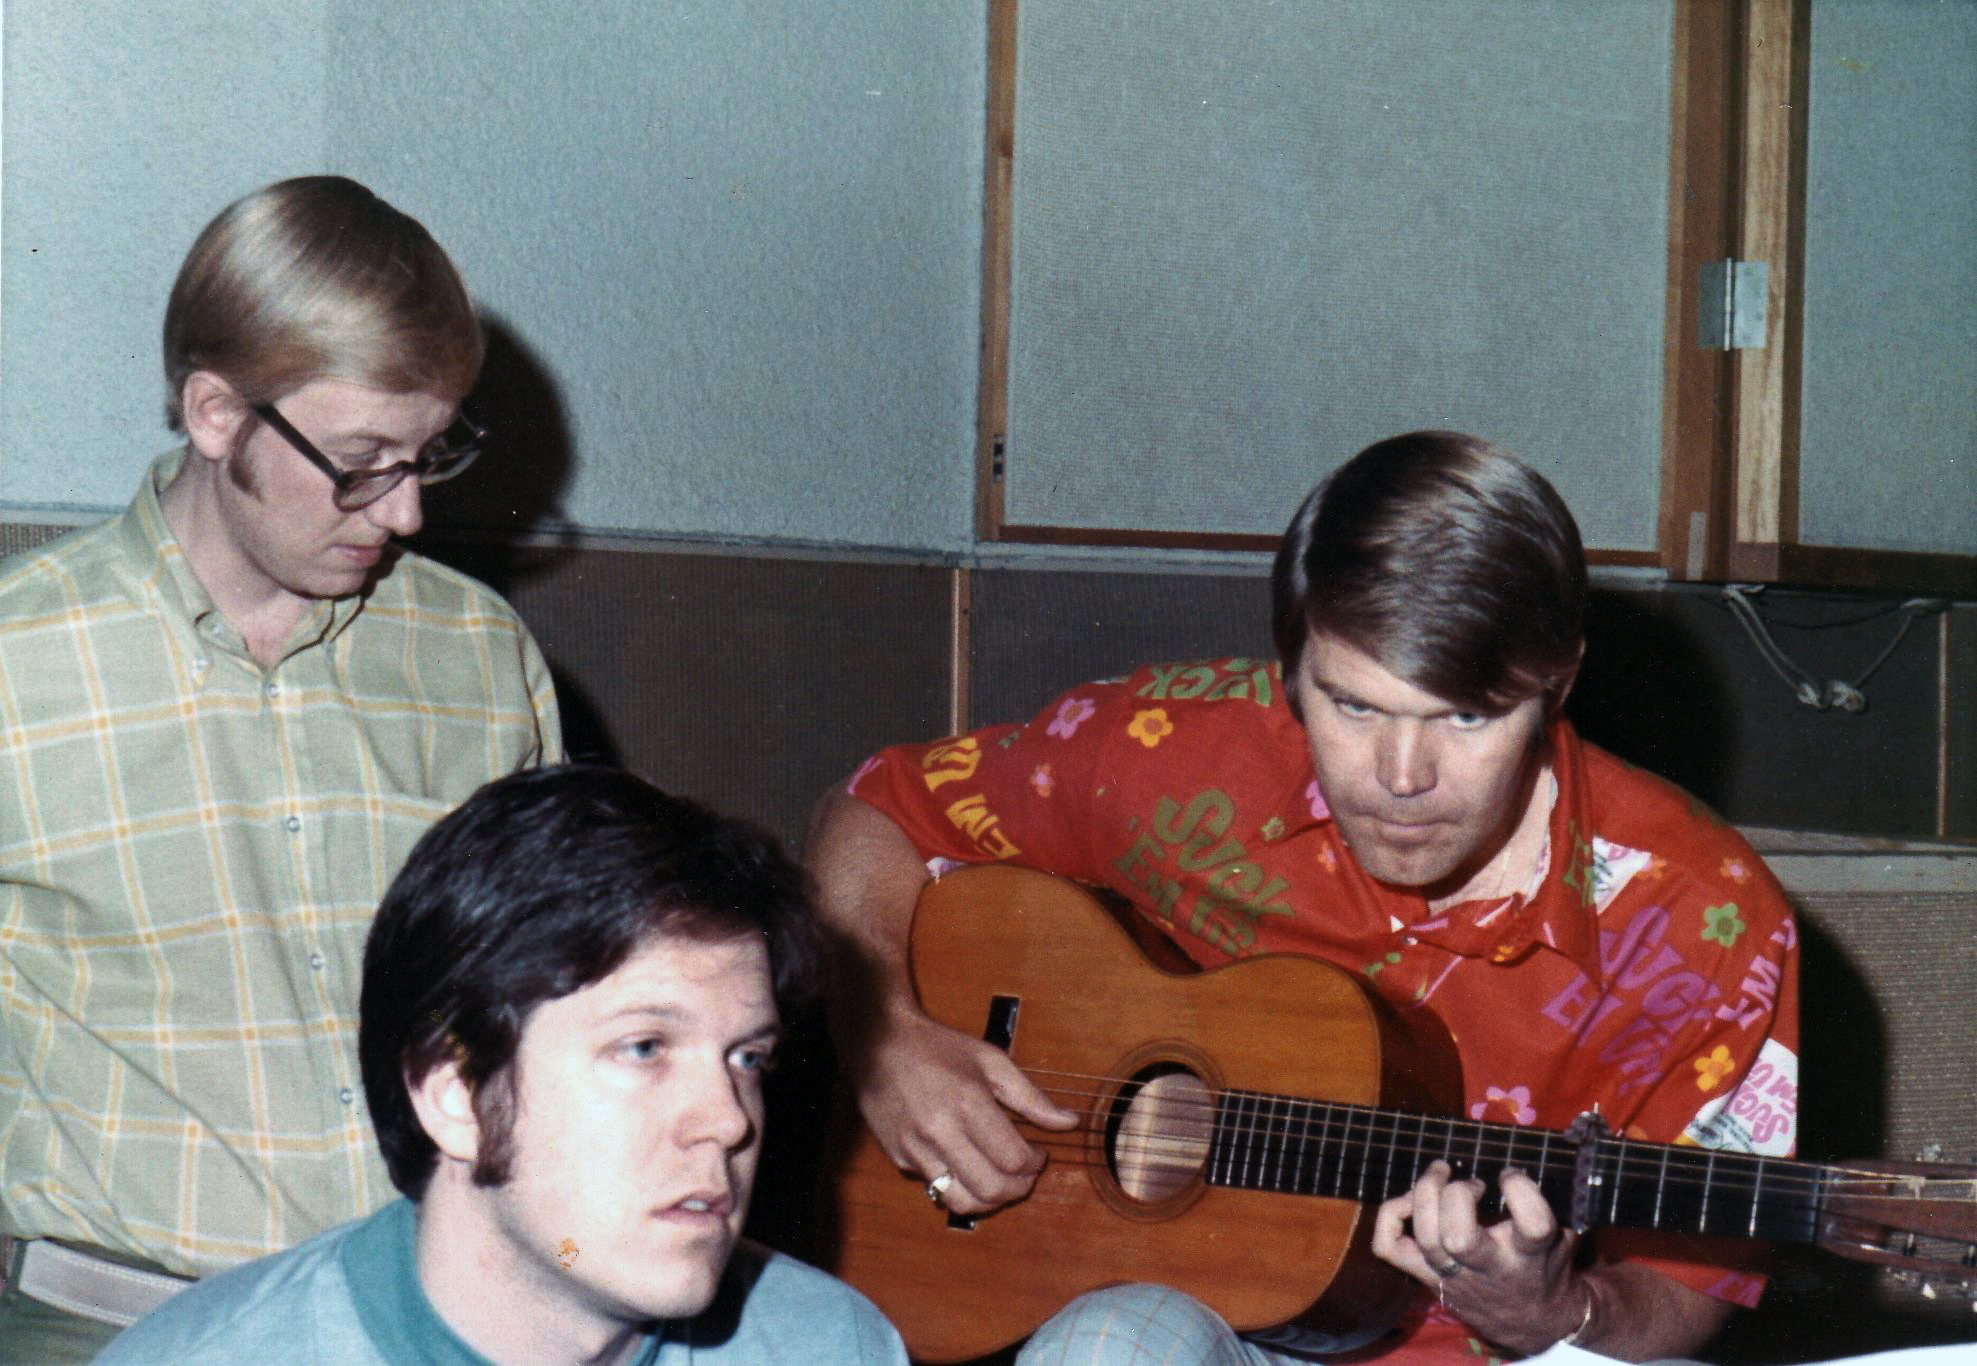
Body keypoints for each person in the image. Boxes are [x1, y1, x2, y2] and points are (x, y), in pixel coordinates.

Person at [806, 431, 1800, 1363]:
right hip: (1176, 1315)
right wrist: (882, 1032)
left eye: (1466, 715)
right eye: (1352, 703)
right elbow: (877, 808)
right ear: (1290, 671)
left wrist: (1559, 1311)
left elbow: (1693, 1282)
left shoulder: (1708, 920)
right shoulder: (1178, 750)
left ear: (1559, 682)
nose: (1400, 774)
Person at [0, 175, 561, 1359]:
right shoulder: (18, 662)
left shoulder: (477, 655)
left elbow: (549, 995)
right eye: (363, 460)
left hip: (427, 1313)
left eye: (430, 455)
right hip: (106, 1326)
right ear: (216, 413)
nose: (404, 513)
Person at [96, 764, 909, 1365]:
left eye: (747, 1058)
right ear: (453, 1094)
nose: (729, 1118)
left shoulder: (832, 1347)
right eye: (644, 1047)